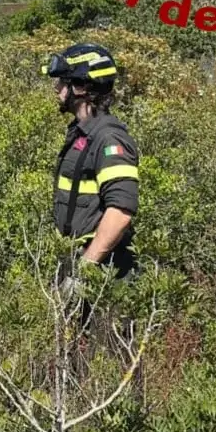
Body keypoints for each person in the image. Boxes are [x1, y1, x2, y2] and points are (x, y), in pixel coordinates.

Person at [43, 43, 141, 298]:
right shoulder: (81, 132)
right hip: (79, 264)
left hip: (103, 276)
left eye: (63, 82)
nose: (56, 88)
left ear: (81, 87)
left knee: (101, 339)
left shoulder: (109, 139)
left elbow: (120, 211)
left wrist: (84, 270)